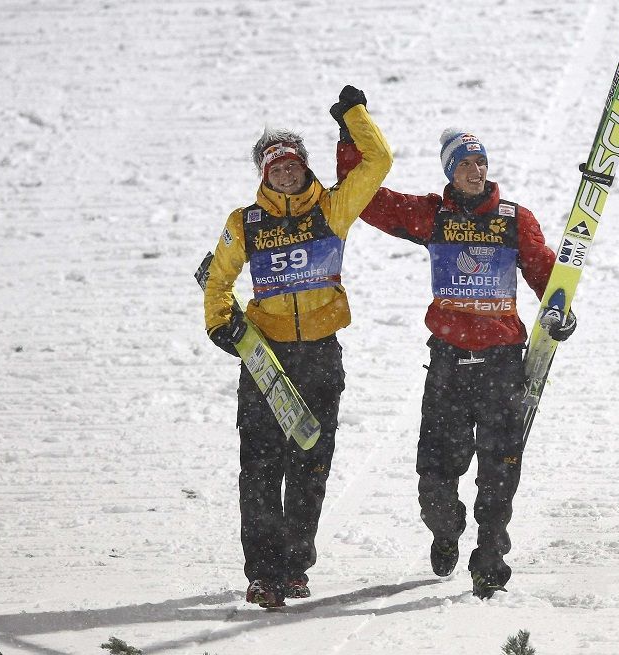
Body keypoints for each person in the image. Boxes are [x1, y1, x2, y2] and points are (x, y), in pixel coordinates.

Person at [336, 127, 576, 599]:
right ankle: (445, 531)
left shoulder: (514, 219)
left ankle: (490, 560)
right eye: (465, 163)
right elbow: (362, 198)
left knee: (499, 470)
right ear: (450, 170)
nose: (476, 170)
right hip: (447, 362)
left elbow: (545, 271)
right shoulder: (433, 216)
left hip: (502, 363)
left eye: (480, 162)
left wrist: (560, 311)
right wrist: (350, 134)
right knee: (435, 475)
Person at [203, 85, 392, 609]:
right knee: (260, 468)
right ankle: (263, 573)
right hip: (266, 360)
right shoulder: (245, 223)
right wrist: (221, 324)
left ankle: (294, 566)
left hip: (320, 357)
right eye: (274, 166)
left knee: (310, 465)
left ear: (305, 167)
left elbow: (380, 160)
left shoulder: (332, 209)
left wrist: (353, 115)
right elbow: (217, 281)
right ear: (263, 174)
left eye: (292, 163)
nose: (284, 171)